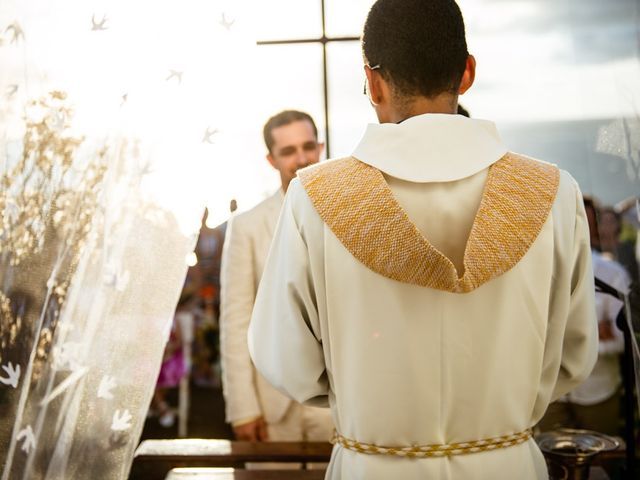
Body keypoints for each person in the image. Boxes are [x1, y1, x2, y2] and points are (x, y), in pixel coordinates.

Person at [248, 1, 598, 479]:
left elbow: (286, 360)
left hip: (374, 466)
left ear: (373, 83)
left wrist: (367, 392)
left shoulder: (315, 196)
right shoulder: (553, 192)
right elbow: (575, 356)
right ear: (467, 72)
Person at [219, 110, 333, 445]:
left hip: (336, 404)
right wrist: (243, 408)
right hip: (271, 407)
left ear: (321, 147)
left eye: (308, 146)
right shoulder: (247, 227)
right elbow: (236, 322)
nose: (301, 158)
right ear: (271, 159)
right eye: (288, 151)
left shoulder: (346, 217)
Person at [538, 198, 630, 435]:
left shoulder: (612, 274)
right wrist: (589, 333)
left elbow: (622, 340)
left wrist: (558, 338)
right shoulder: (536, 272)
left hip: (597, 394)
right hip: (549, 395)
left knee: (604, 464)